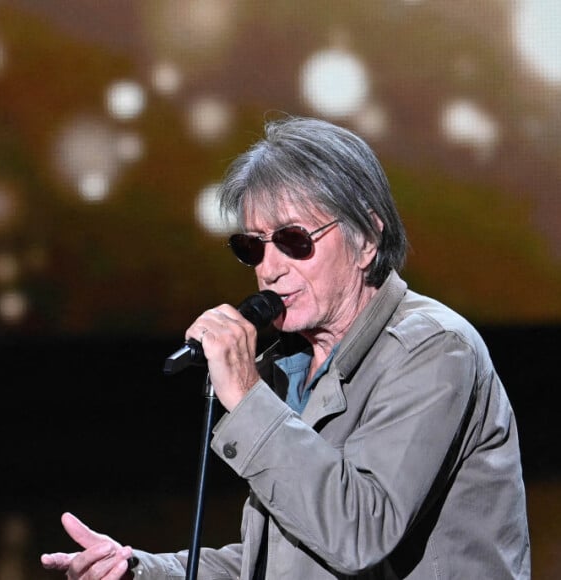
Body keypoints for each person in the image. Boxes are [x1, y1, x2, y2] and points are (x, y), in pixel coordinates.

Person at [41, 116, 531, 579]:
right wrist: (140, 570)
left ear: (366, 240)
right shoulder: (290, 366)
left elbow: (359, 532)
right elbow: (282, 560)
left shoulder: (433, 348)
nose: (269, 268)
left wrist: (249, 398)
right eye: (253, 245)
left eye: (294, 240)